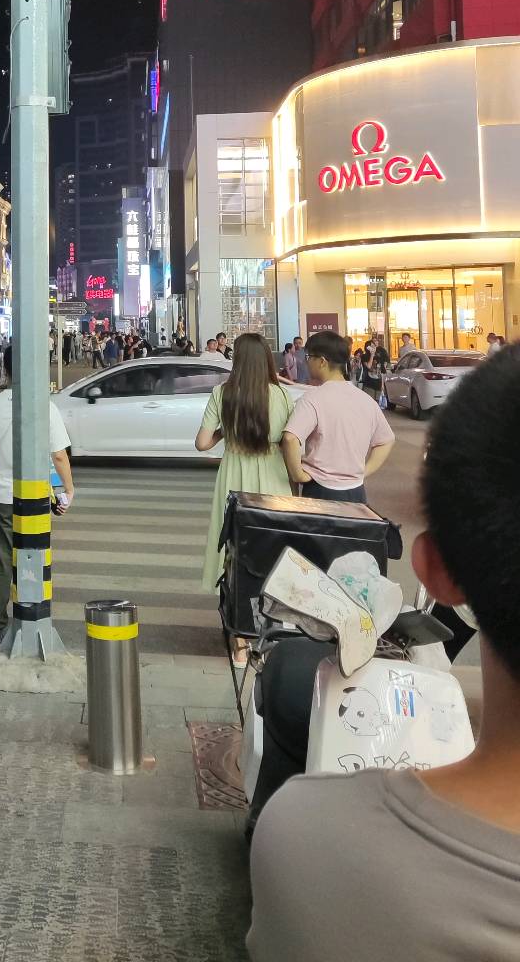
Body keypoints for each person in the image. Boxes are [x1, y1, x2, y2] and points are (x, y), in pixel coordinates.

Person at [247, 343, 520, 961]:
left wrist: (304, 473)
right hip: (354, 495)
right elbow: (384, 442)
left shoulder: (306, 838)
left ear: (436, 569)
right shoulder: (363, 403)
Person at [0, 344, 74, 648]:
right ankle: (34, 622)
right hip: (36, 498)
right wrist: (68, 490)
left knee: (1, 562)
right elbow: (59, 455)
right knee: (34, 557)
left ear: (6, 369)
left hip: (0, 495)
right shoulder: (45, 407)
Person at [197, 334, 294, 591]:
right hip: (274, 472)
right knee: (272, 537)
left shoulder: (222, 393)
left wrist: (226, 431)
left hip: (233, 472)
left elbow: (202, 443)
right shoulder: (282, 395)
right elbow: (292, 443)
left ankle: (233, 599)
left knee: (232, 536)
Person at [280, 331, 394, 504]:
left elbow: (290, 438)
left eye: (309, 357)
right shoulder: (365, 400)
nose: (305, 361)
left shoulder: (313, 399)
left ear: (322, 362)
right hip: (356, 491)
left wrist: (298, 475)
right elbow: (386, 440)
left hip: (320, 489)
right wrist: (363, 471)